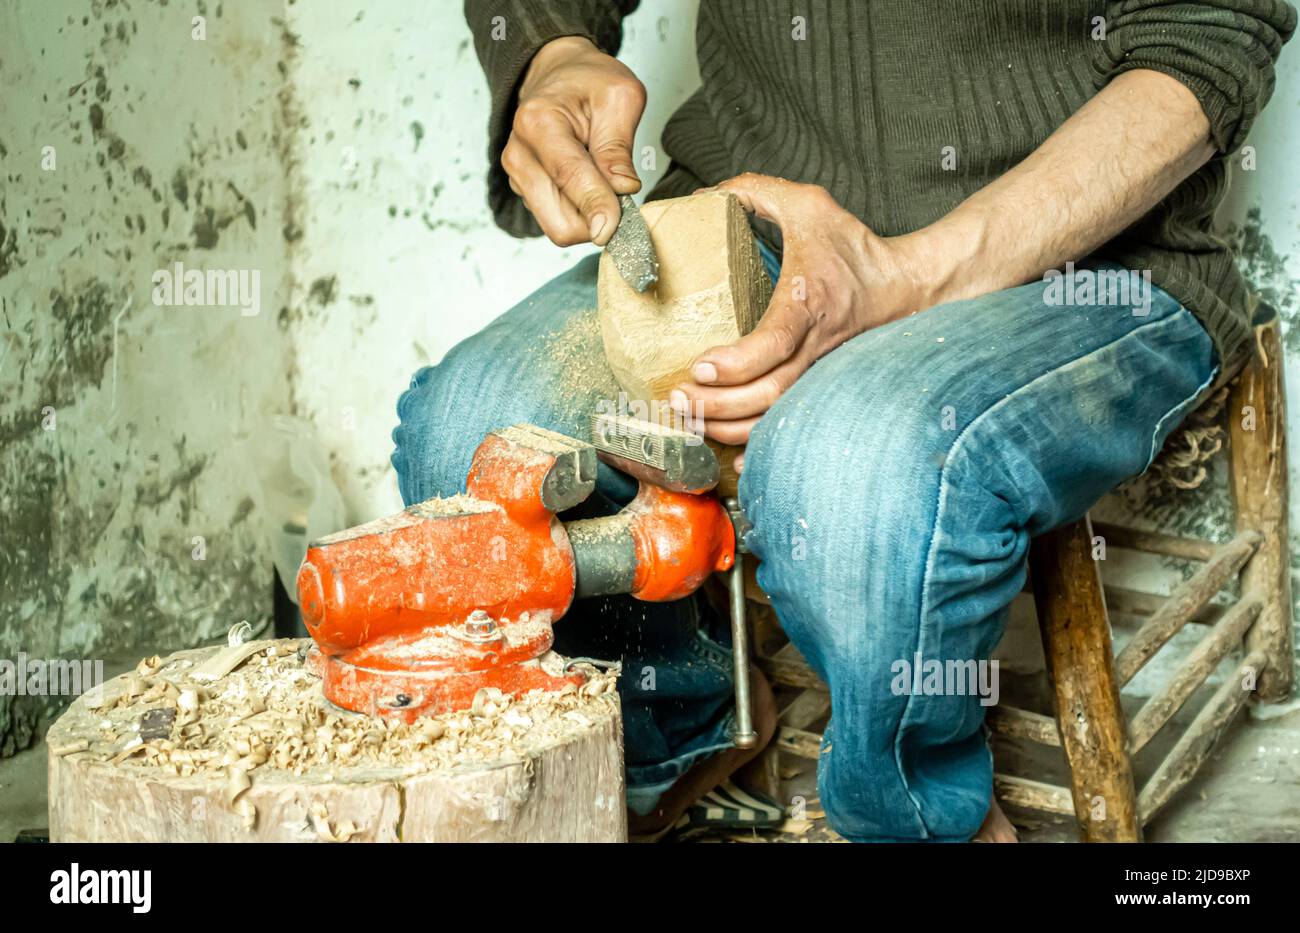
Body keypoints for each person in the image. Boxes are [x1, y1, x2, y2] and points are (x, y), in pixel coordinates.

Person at [391, 1, 1296, 842]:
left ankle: (907, 806)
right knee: (472, 432)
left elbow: (1211, 29)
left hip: (1074, 247)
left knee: (859, 469)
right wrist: (554, 49)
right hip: (753, 215)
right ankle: (676, 725)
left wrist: (916, 274)